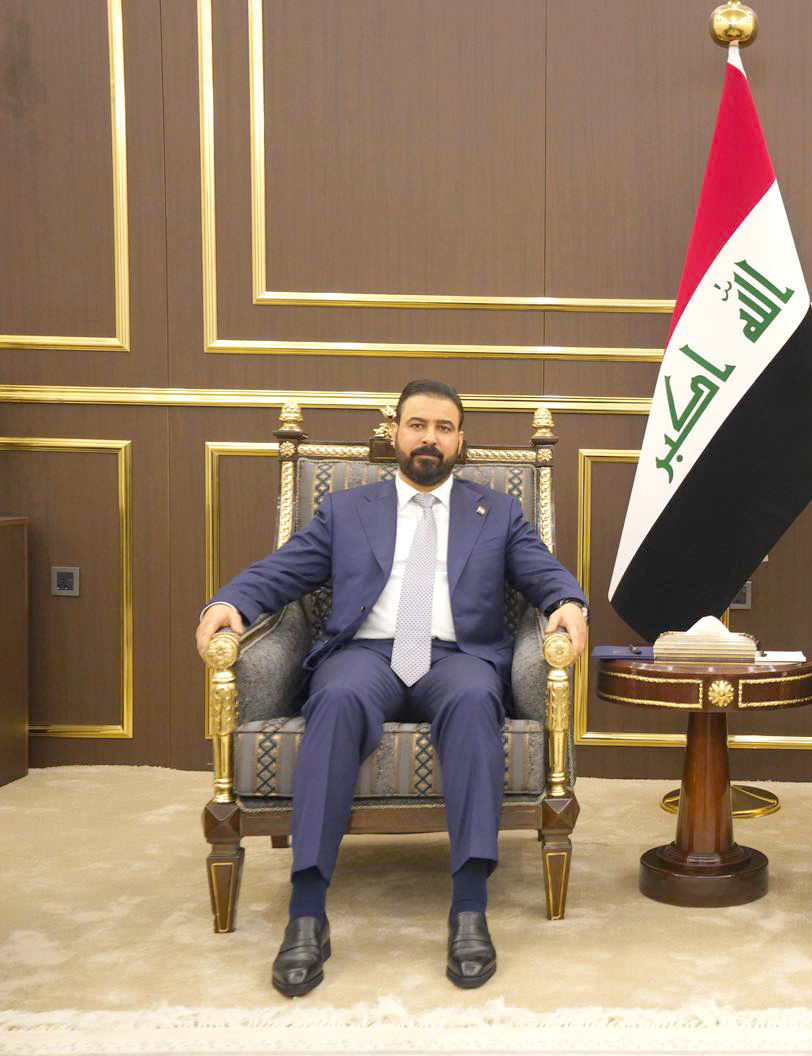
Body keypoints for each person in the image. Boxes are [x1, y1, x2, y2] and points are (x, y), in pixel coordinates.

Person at [194, 379, 588, 997]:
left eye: (443, 428)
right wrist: (230, 602)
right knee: (334, 699)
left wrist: (567, 601)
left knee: (474, 700)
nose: (430, 438)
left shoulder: (497, 511)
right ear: (396, 432)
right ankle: (307, 913)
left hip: (456, 657)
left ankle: (469, 909)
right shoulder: (347, 509)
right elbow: (284, 569)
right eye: (418, 425)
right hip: (367, 655)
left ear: (460, 440)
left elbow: (543, 571)